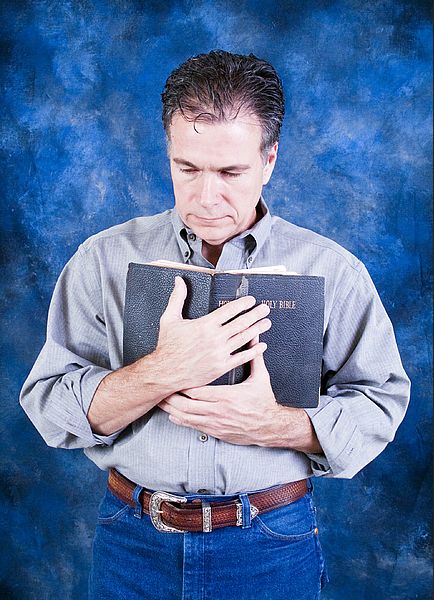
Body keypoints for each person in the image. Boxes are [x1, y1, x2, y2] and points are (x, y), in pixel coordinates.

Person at [20, 50, 410, 599]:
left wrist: (275, 425)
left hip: (271, 542)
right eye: (188, 169)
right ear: (169, 154)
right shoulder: (101, 259)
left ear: (269, 160)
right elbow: (49, 405)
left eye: (230, 172)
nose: (206, 198)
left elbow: (380, 402)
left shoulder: (333, 270)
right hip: (132, 539)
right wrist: (163, 371)